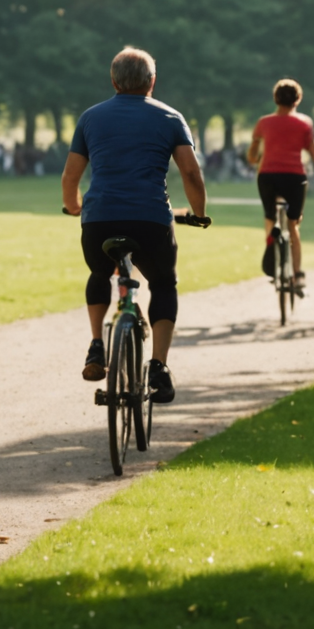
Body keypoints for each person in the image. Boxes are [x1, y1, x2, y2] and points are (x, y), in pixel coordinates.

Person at [62, 47, 208, 405]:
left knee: (100, 273)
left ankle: (97, 346)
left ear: (113, 81)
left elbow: (71, 176)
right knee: (163, 283)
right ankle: (158, 366)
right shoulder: (171, 117)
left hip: (99, 219)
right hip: (151, 220)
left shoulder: (90, 118)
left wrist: (73, 206)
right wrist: (198, 212)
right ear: (152, 82)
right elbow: (190, 171)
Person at [246, 78, 314, 291]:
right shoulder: (304, 123)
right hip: (294, 177)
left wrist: (255, 158)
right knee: (293, 224)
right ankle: (298, 275)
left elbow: (252, 155)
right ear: (298, 99)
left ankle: (272, 249)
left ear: (275, 98)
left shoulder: (263, 123)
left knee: (270, 218)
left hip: (268, 176)